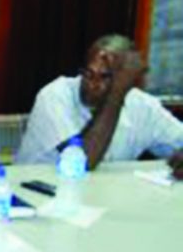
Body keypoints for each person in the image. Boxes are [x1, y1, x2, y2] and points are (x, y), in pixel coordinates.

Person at [16, 34, 183, 178]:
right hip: (40, 196)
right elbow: (82, 161)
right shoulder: (55, 95)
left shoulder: (143, 106)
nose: (93, 84)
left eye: (105, 77)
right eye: (88, 73)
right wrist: (116, 93)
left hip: (100, 201)